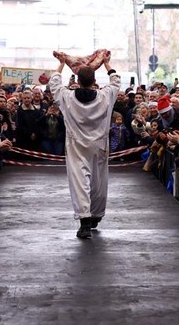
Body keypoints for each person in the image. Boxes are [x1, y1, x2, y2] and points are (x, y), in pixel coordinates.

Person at [49, 51, 119, 239]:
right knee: (99, 180)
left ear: (77, 81)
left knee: (80, 182)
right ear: (94, 80)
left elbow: (54, 84)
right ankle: (96, 215)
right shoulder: (105, 96)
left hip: (77, 144)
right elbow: (115, 82)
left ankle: (85, 221)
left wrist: (62, 64)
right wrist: (106, 63)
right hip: (99, 144)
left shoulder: (68, 97)